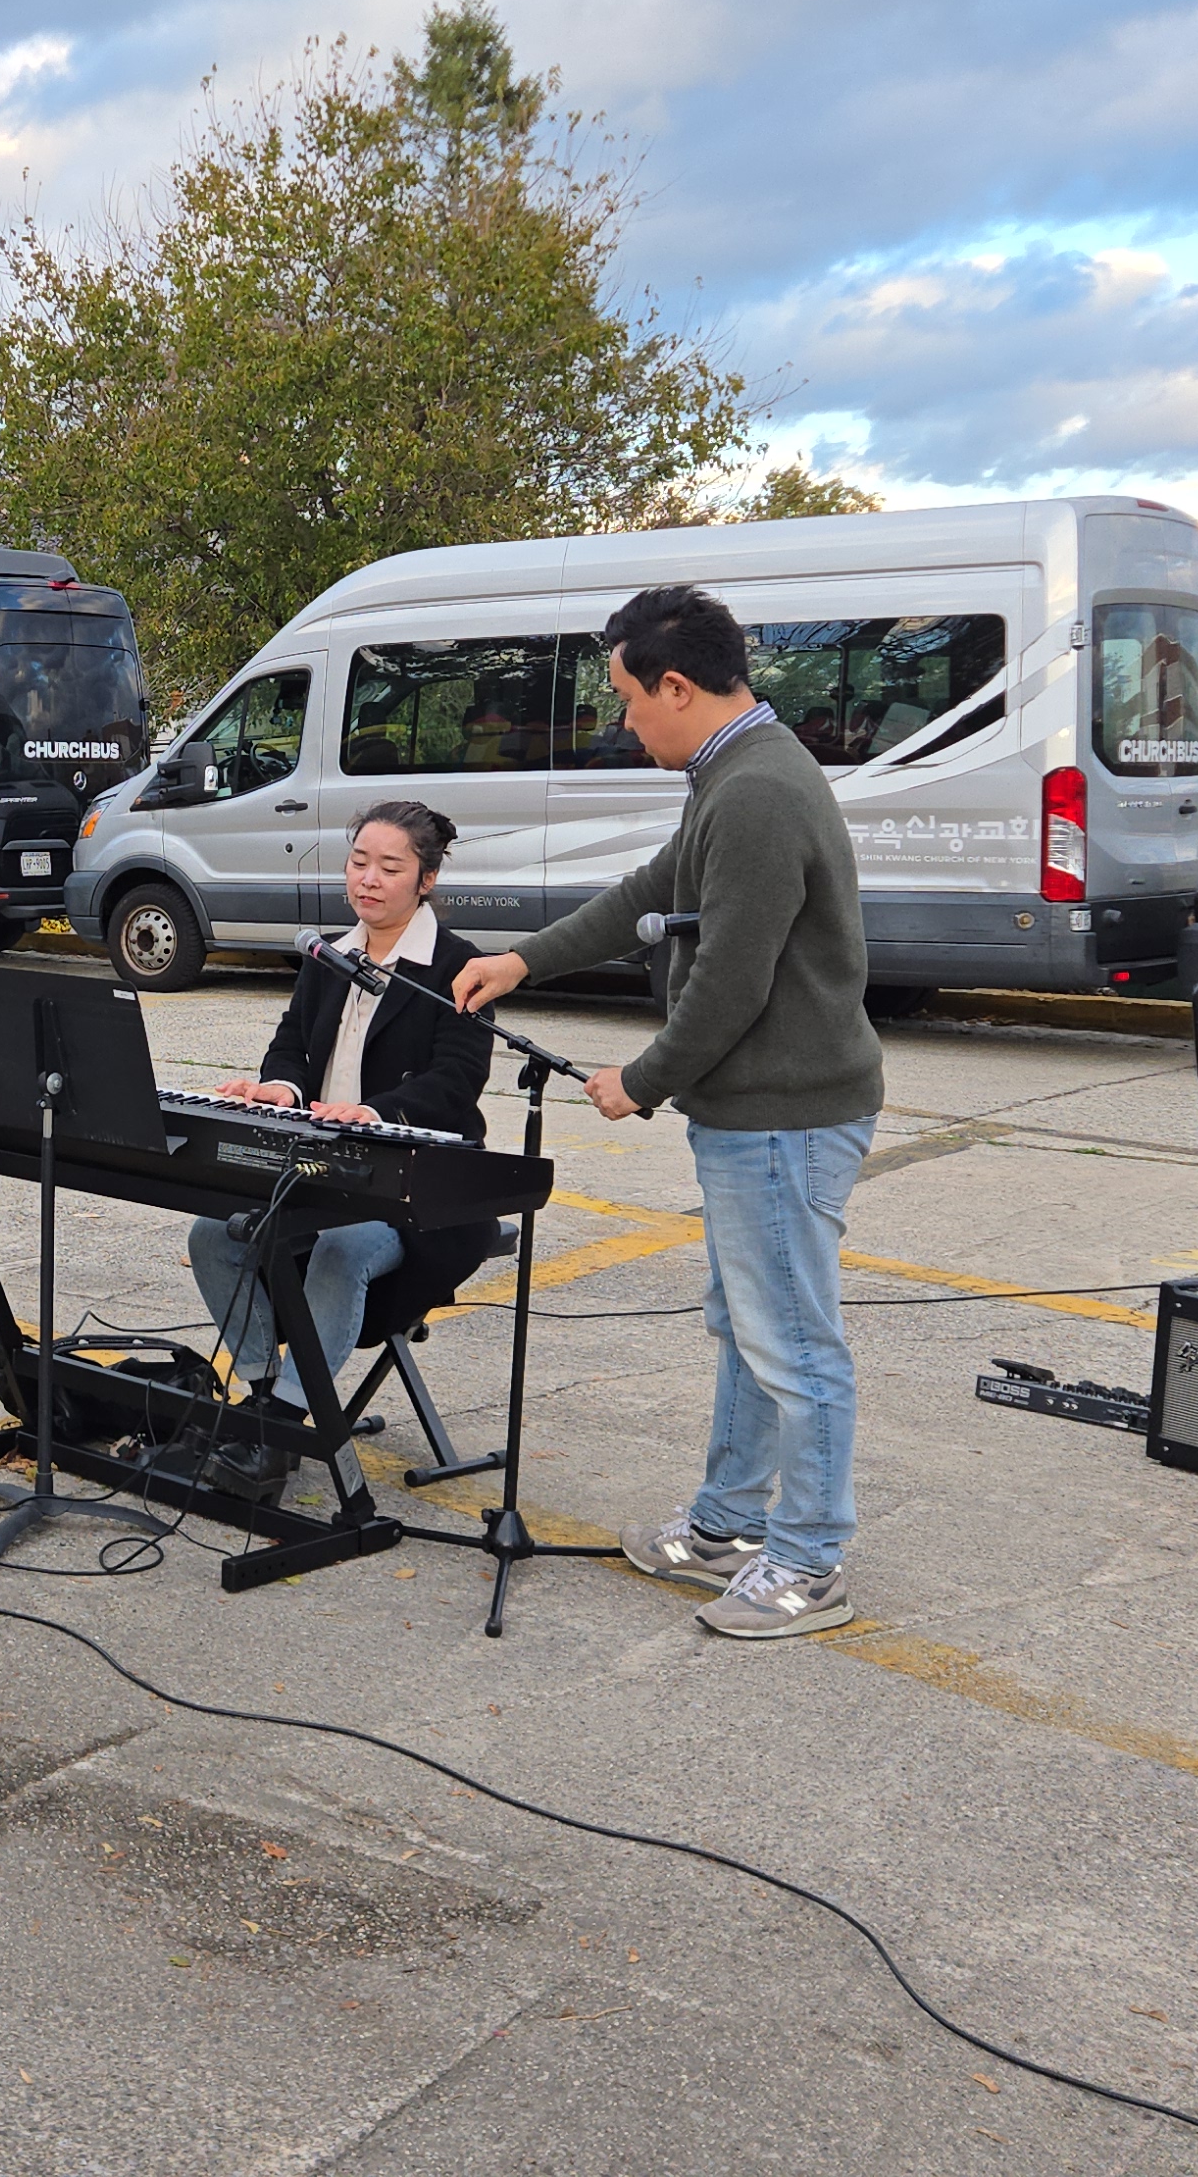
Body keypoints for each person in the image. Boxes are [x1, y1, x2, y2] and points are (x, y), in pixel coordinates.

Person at [450, 584, 885, 1641]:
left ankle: (809, 1561)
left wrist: (640, 1080)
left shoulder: (757, 791)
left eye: (629, 699)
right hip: (757, 1111)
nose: (625, 719)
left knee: (792, 1340)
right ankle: (730, 1525)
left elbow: (731, 980)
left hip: (783, 1115)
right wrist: (523, 959)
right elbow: (650, 891)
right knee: (749, 1325)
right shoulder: (731, 773)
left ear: (677, 686)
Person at [180, 800, 494, 1501]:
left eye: (390, 868)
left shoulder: (458, 966)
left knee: (343, 1249)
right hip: (321, 1169)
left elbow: (457, 1080)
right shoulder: (329, 954)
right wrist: (281, 1089)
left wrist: (374, 1112)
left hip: (418, 1186)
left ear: (427, 880)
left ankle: (285, 1424)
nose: (368, 880)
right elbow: (292, 1043)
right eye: (359, 863)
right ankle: (266, 1399)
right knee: (214, 1235)